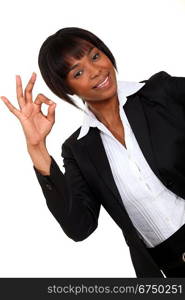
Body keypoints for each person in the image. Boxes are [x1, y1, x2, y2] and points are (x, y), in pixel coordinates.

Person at [1, 27, 185, 278]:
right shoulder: (79, 150)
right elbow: (79, 227)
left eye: (95, 56)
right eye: (78, 72)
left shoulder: (160, 93)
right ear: (67, 89)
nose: (96, 71)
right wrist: (37, 147)